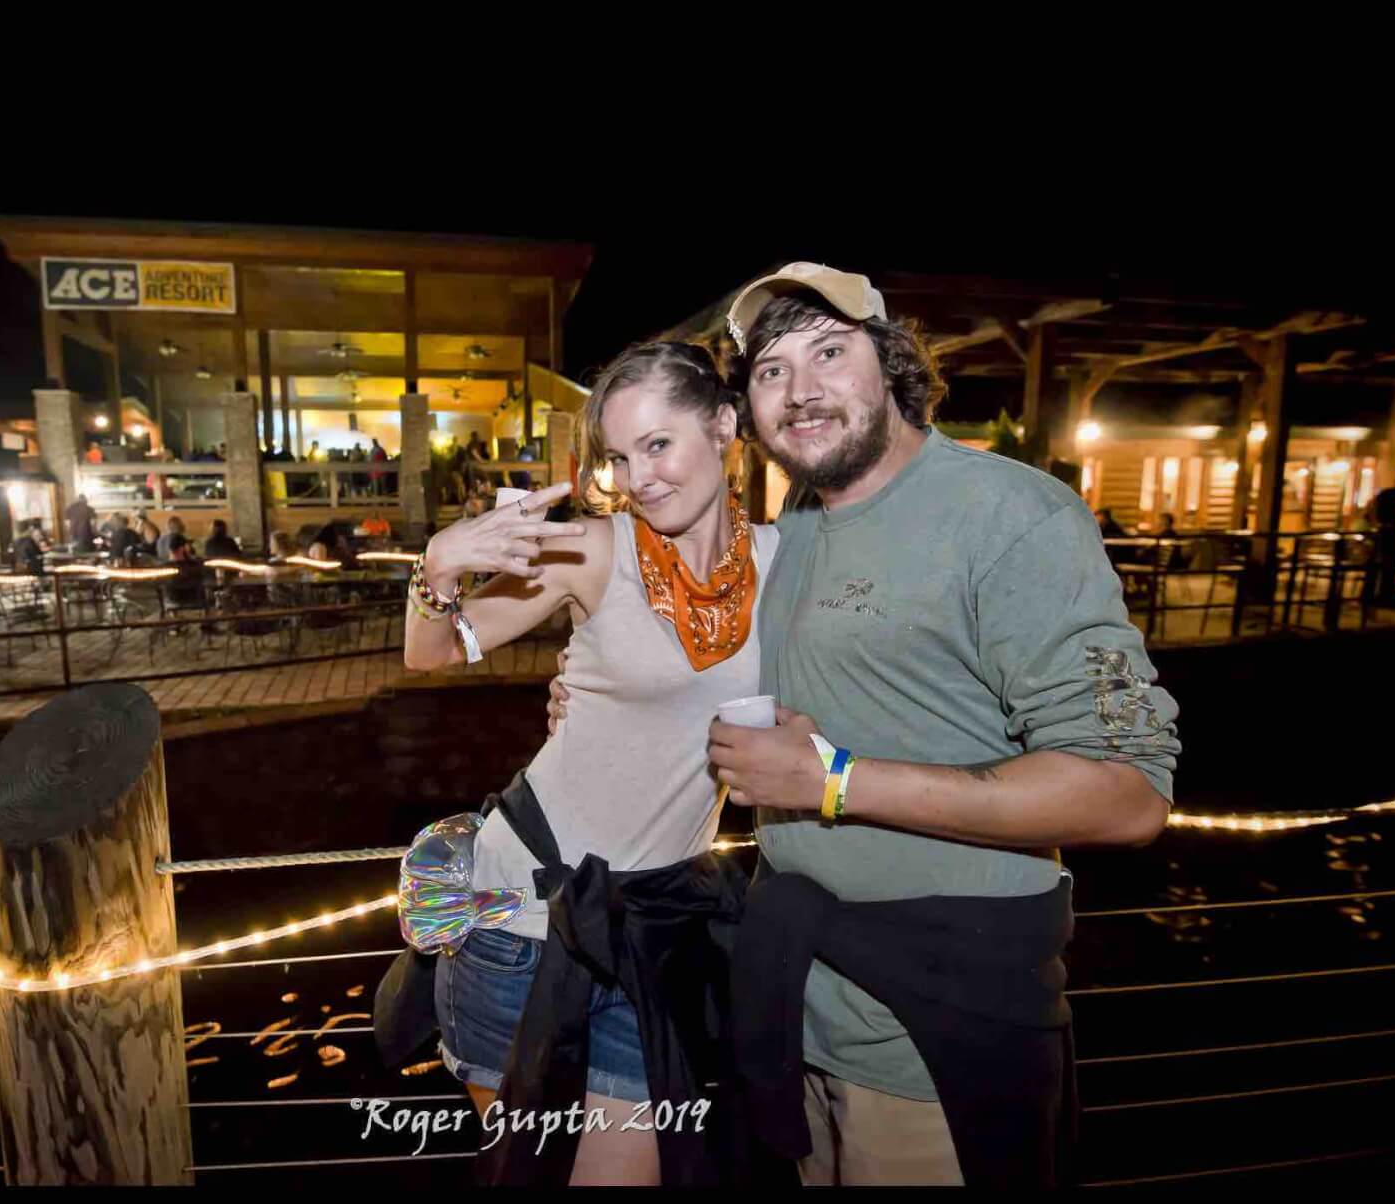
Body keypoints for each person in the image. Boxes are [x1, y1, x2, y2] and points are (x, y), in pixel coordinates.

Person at [693, 263, 1178, 1187]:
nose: (800, 392)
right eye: (770, 371)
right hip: (803, 1004)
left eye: (830, 352)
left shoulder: (1010, 514)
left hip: (938, 1026)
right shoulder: (793, 522)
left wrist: (833, 781)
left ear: (891, 363)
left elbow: (1131, 794)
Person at [389, 341, 780, 1186]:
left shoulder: (790, 564)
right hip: (517, 921)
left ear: (723, 425)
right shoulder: (595, 550)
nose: (640, 477)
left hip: (650, 930)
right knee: (526, 1177)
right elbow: (434, 651)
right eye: (620, 455)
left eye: (659, 444)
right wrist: (438, 568)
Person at [1366, 469, 1395, 608]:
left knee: (1380, 566)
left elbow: (1371, 509)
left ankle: (1371, 596)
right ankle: (1387, 597)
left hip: (1381, 533)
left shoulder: (1383, 493)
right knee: (1391, 567)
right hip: (1394, 534)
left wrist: (1377, 523)